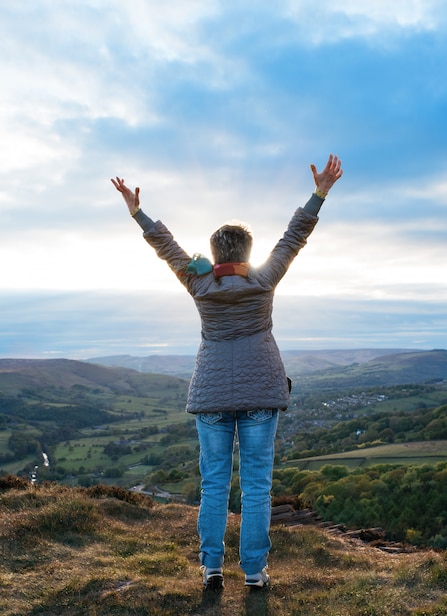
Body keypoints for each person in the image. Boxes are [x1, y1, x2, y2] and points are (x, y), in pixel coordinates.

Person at [111, 154, 342, 591]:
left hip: (212, 396)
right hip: (261, 394)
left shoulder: (199, 283)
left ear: (214, 254)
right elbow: (295, 236)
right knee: (257, 486)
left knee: (213, 485)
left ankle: (211, 568)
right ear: (249, 254)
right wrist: (320, 192)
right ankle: (254, 572)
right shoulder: (264, 279)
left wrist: (137, 210)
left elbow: (166, 246)